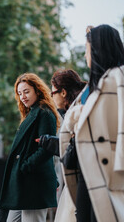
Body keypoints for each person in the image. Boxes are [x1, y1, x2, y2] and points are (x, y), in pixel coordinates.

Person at [58, 24, 124, 221]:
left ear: (98, 47)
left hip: (106, 168)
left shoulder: (121, 74)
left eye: (87, 49)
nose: (85, 55)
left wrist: (123, 171)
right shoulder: (93, 85)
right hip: (85, 166)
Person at [0, 73, 60, 222]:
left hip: (34, 183)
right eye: (20, 93)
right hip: (23, 184)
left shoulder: (44, 113)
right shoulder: (32, 113)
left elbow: (46, 148)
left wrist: (25, 166)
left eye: (26, 91)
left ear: (37, 90)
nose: (23, 96)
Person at [38, 69, 86, 222]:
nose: (51, 97)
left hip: (82, 181)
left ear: (63, 92)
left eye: (53, 93)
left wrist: (51, 143)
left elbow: (77, 147)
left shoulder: (78, 110)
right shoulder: (73, 109)